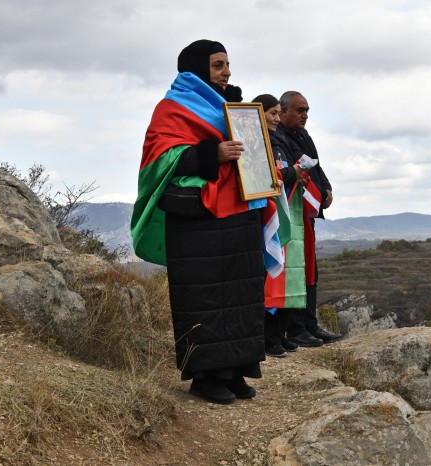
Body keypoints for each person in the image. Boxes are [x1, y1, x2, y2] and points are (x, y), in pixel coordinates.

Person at [131, 39, 270, 404]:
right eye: (218, 65)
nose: (226, 72)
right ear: (196, 68)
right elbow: (159, 158)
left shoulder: (235, 107)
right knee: (205, 296)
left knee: (240, 293)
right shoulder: (172, 108)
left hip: (240, 212)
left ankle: (237, 369)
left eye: (227, 64)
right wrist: (213, 152)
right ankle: (205, 377)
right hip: (199, 221)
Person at [277, 90, 342, 346]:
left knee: (310, 269)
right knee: (296, 269)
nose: (305, 116)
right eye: (300, 110)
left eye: (307, 111)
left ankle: (310, 324)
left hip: (309, 213)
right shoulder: (277, 137)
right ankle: (296, 328)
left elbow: (317, 166)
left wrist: (326, 190)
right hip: (293, 213)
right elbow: (290, 174)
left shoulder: (304, 135)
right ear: (283, 111)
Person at [252, 93, 306, 357]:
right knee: (267, 282)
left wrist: (296, 177)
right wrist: (289, 174)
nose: (276, 119)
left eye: (276, 113)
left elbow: (281, 172)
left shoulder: (277, 141)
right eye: (272, 113)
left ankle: (278, 335)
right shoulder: (257, 143)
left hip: (278, 215)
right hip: (263, 218)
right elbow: (265, 176)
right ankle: (267, 338)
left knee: (278, 279)